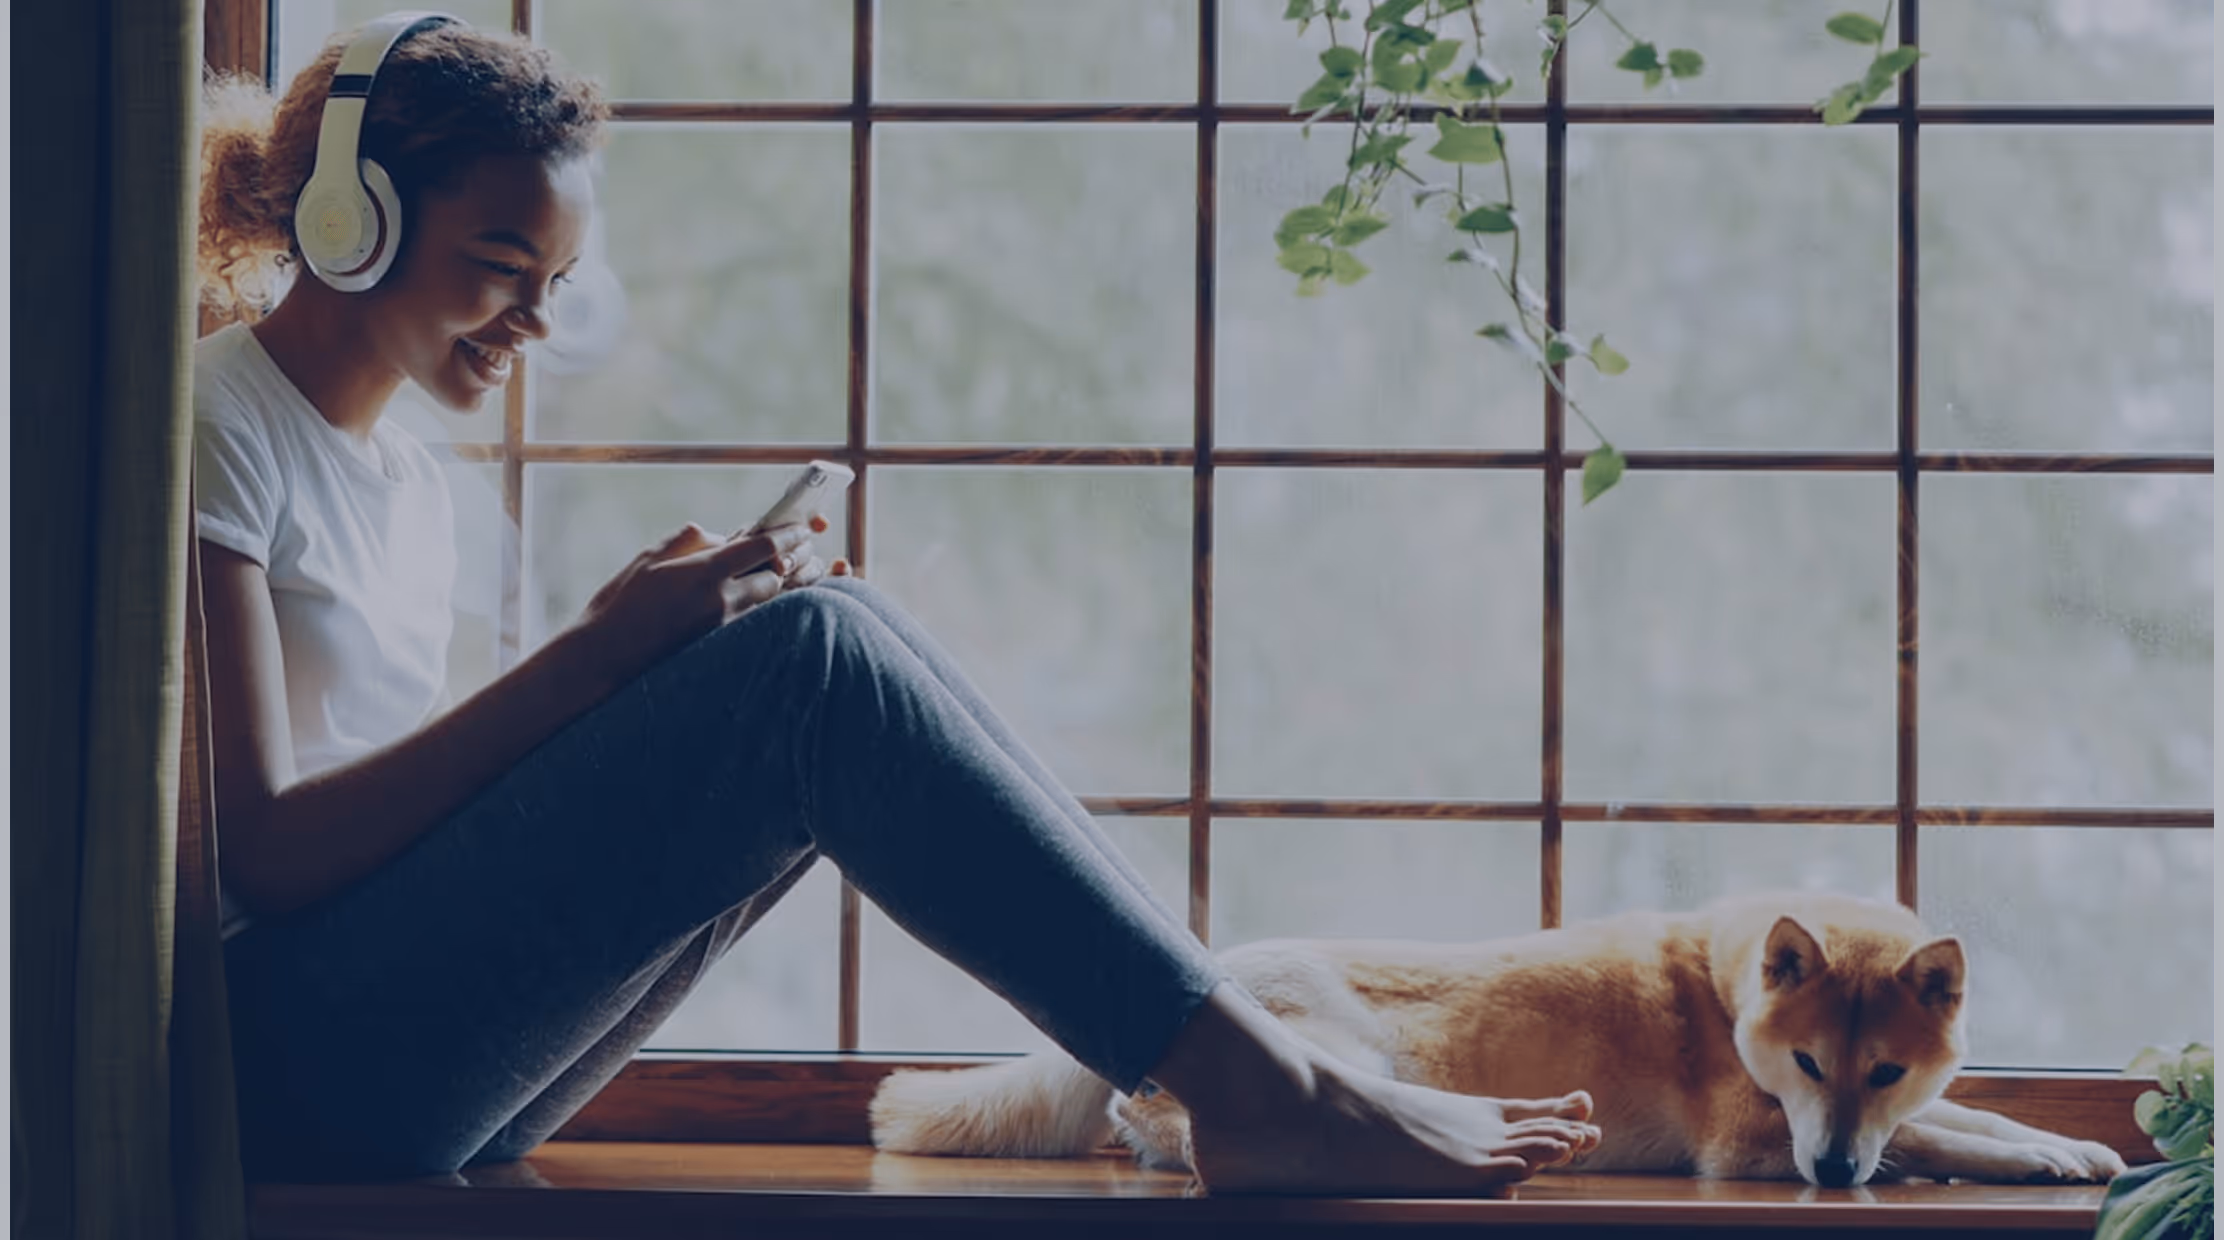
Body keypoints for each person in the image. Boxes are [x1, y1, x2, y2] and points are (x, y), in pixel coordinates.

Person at [192, 14, 1600, 1191]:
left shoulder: (407, 480)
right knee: (809, 666)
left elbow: (417, 816)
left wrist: (642, 662)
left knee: (827, 638)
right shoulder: (213, 424)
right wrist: (599, 657)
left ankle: (1254, 1069)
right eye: (502, 268)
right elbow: (264, 856)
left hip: (414, 1053)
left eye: (556, 282)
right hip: (288, 1064)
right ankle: (1261, 1087)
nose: (537, 325)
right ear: (350, 217)